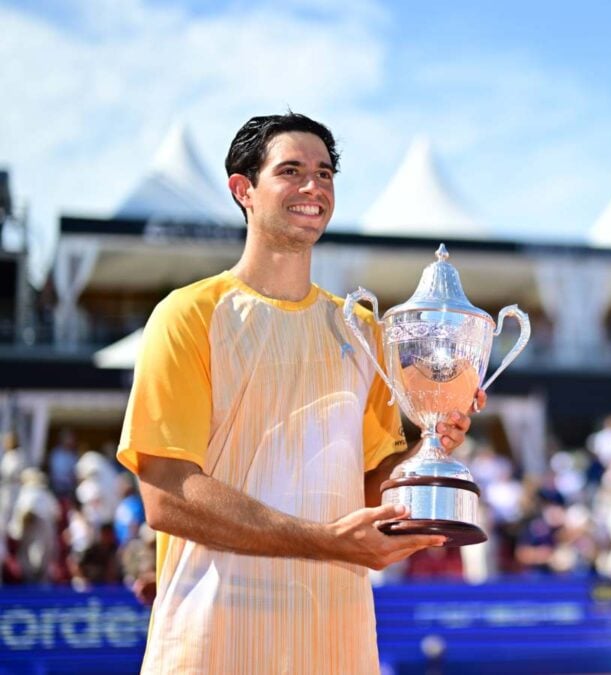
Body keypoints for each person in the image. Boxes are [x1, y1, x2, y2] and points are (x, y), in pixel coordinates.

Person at [116, 113, 483, 673]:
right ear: (243, 189)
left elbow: (368, 491)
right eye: (291, 171)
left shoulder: (363, 330)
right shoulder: (189, 314)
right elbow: (167, 494)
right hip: (214, 637)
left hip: (334, 636)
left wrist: (431, 448)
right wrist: (326, 542)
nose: (314, 187)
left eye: (325, 173)